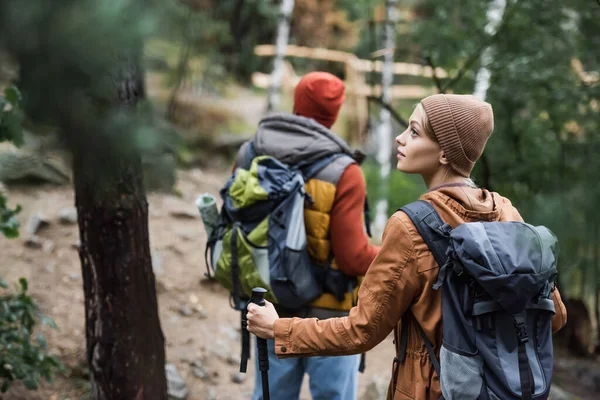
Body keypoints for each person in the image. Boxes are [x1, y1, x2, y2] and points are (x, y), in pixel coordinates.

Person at [246, 94, 568, 400]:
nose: (400, 138)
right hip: (500, 386)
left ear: (445, 152)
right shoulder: (506, 212)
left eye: (414, 132)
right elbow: (555, 317)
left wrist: (278, 328)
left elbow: (362, 331)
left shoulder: (410, 225)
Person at [233, 71, 380, 400]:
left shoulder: (250, 153)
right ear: (335, 113)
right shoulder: (343, 171)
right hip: (329, 320)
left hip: (269, 305)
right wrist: (392, 255)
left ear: (297, 103)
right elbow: (353, 256)